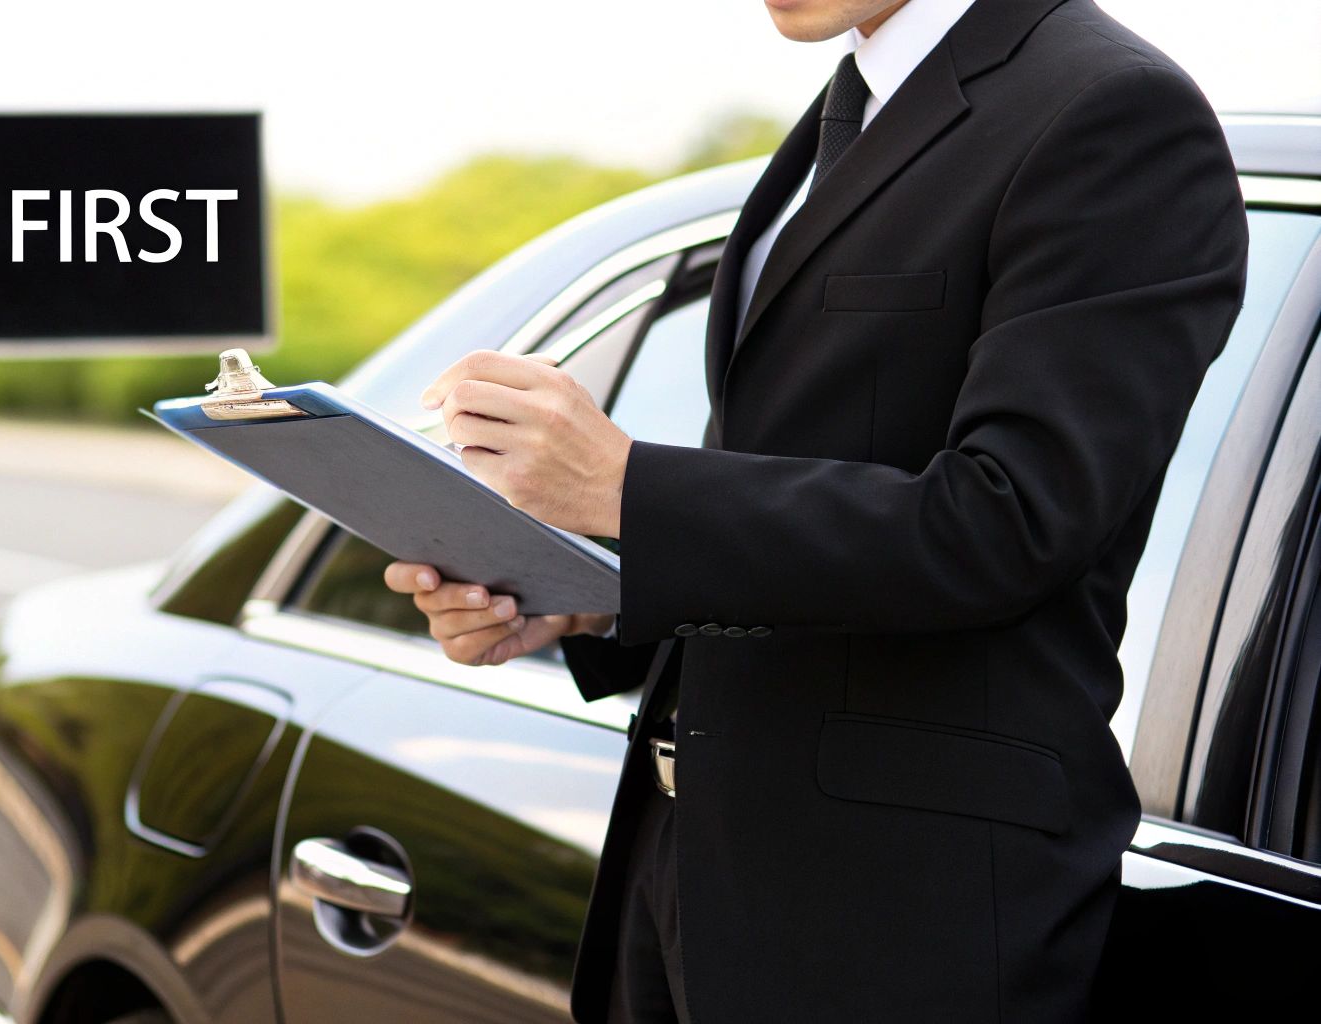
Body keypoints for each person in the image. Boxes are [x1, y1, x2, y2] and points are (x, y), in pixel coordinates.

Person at [382, 0, 1250, 1020]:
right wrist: (594, 598)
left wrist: (626, 484)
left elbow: (1007, 520)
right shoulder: (860, 95)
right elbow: (796, 477)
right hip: (680, 887)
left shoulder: (1112, 111)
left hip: (897, 928)